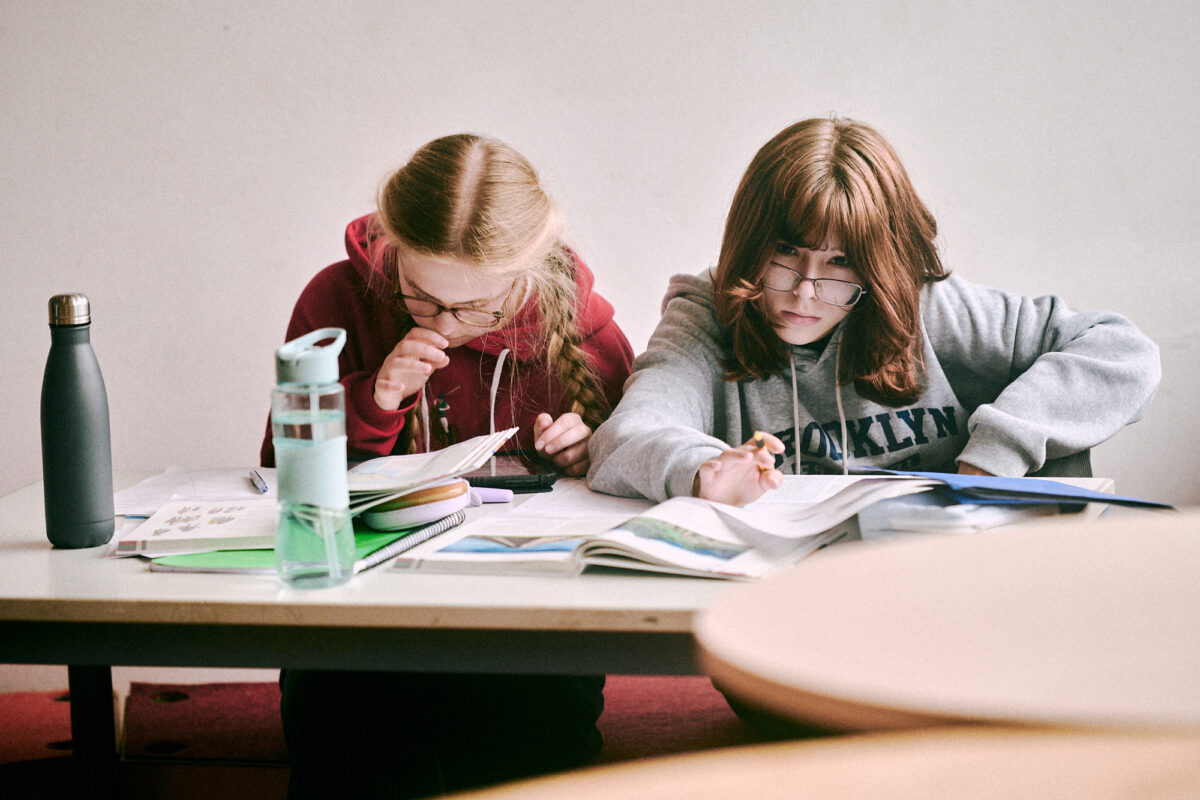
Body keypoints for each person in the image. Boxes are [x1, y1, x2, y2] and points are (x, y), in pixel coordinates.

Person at [264, 133, 634, 799]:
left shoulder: (586, 332)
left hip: (529, 623)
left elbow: (639, 497)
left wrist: (593, 452)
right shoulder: (336, 299)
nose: (448, 323)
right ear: (393, 250)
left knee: (529, 736)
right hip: (360, 621)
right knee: (347, 734)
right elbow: (278, 479)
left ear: (526, 274)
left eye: (477, 307)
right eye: (422, 296)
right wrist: (374, 401)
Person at [587, 116, 1160, 507]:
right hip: (788, 601)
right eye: (785, 252)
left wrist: (999, 449)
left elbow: (1121, 350)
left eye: (840, 262)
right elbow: (626, 434)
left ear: (878, 265)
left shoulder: (925, 308)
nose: (805, 291)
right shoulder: (708, 312)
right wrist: (699, 470)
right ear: (748, 241)